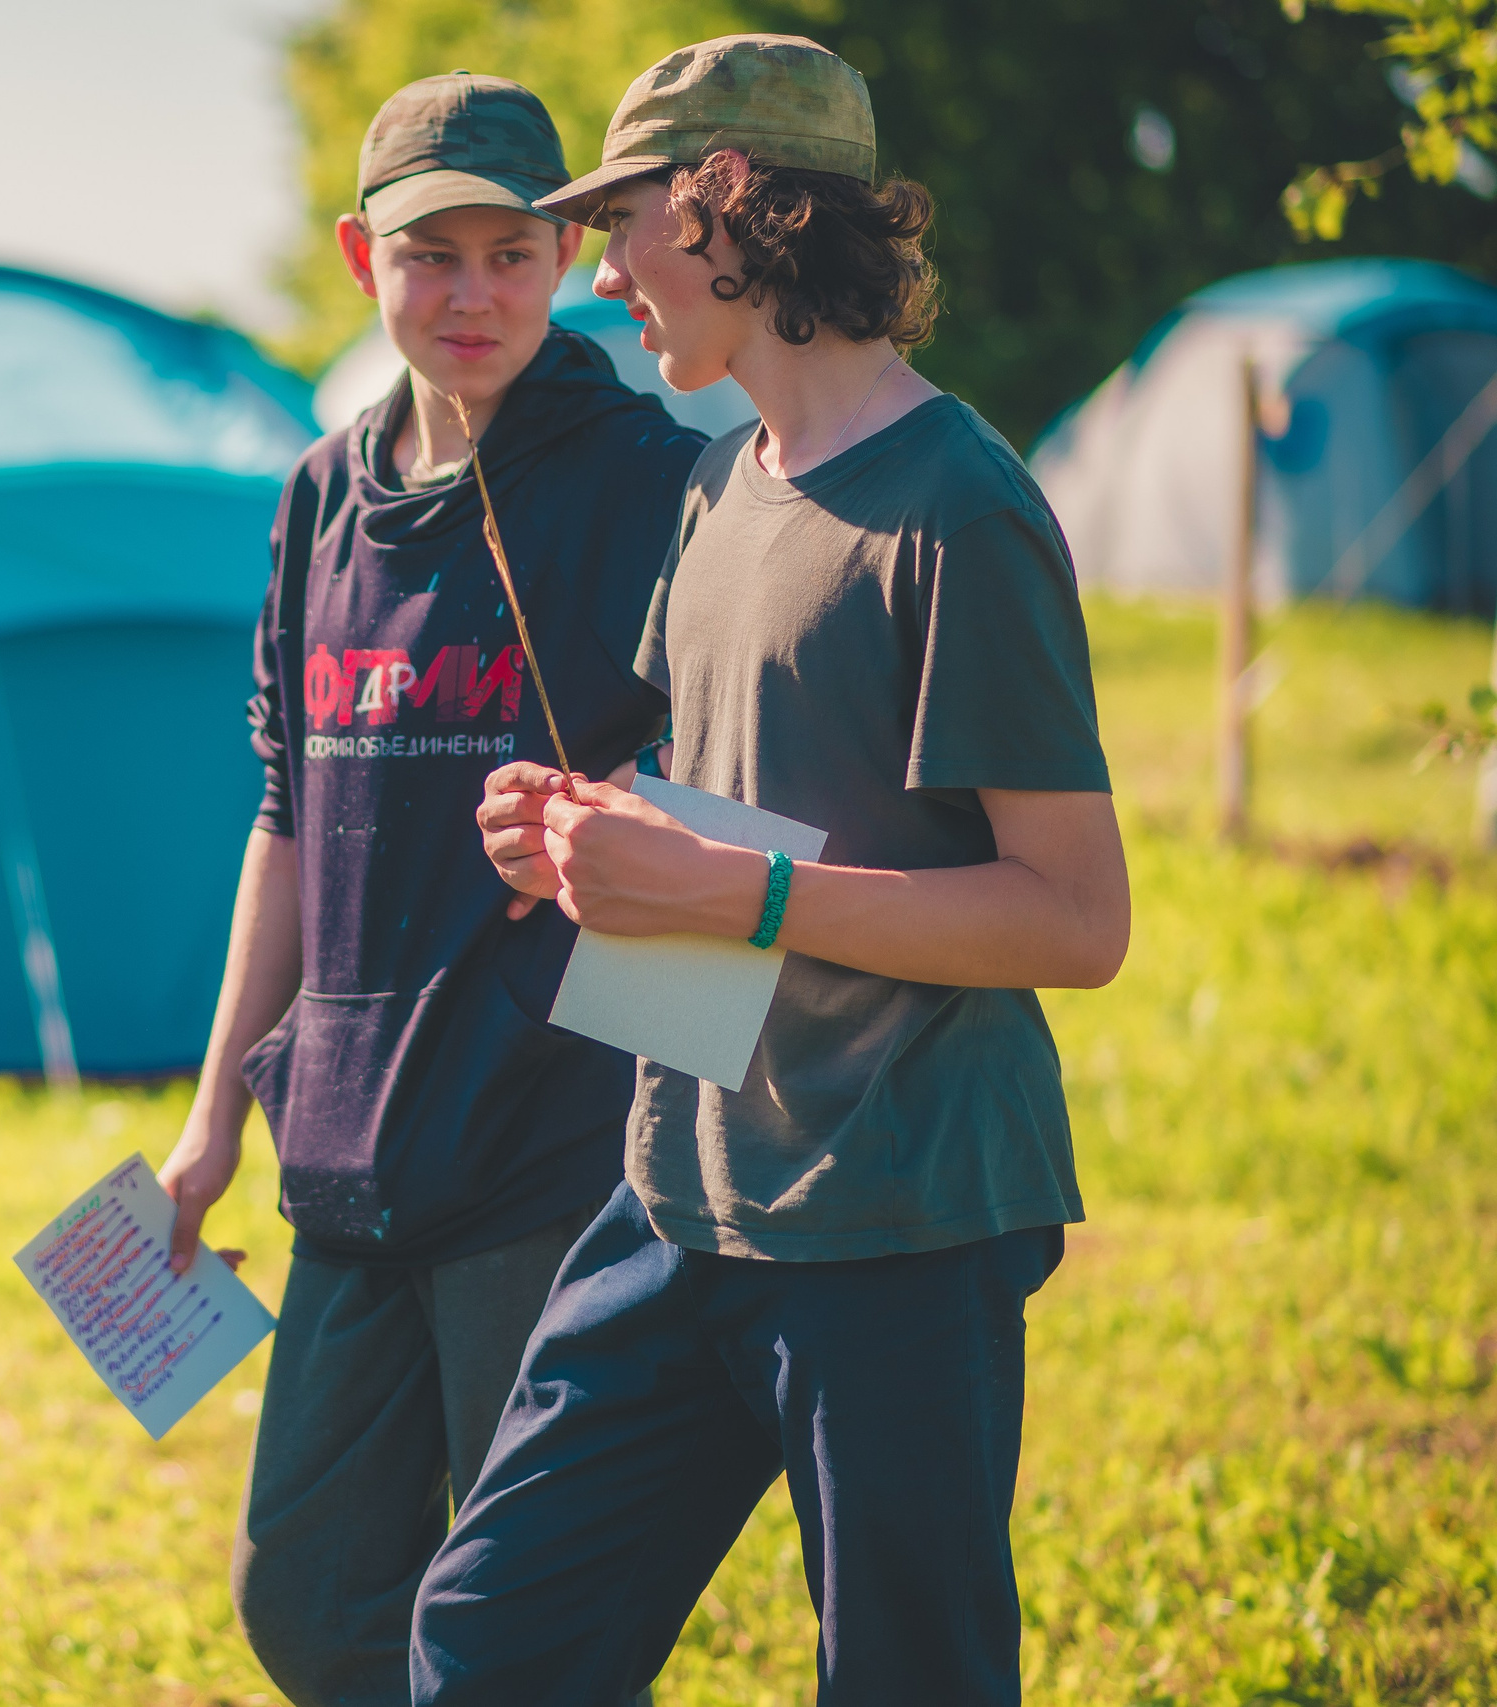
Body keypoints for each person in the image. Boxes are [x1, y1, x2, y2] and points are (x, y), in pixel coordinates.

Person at [413, 35, 1132, 1707]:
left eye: (629, 220)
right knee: (491, 1638)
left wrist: (739, 899)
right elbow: (736, 801)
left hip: (903, 1217)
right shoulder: (721, 487)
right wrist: (595, 835)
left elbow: (1076, 920)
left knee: (907, 1676)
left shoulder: (961, 507)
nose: (600, 270)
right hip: (682, 1186)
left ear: (735, 211)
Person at [151, 70, 706, 1707]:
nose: (472, 295)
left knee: (527, 1632)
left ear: (563, 257)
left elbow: (728, 782)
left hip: (551, 1139)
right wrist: (212, 1119)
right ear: (359, 255)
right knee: (311, 1606)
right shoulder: (319, 497)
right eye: (431, 255)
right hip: (345, 1140)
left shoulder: (641, 475)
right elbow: (286, 812)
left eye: (510, 254)